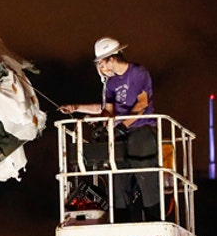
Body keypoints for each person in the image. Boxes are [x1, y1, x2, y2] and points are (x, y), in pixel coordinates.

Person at [59, 37, 160, 221]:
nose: (100, 67)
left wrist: (123, 125)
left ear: (112, 58)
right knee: (118, 176)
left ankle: (156, 217)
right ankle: (125, 219)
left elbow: (142, 103)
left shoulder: (137, 73)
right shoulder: (111, 84)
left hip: (142, 130)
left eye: (101, 62)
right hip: (121, 133)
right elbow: (108, 111)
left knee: (144, 171)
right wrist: (78, 110)